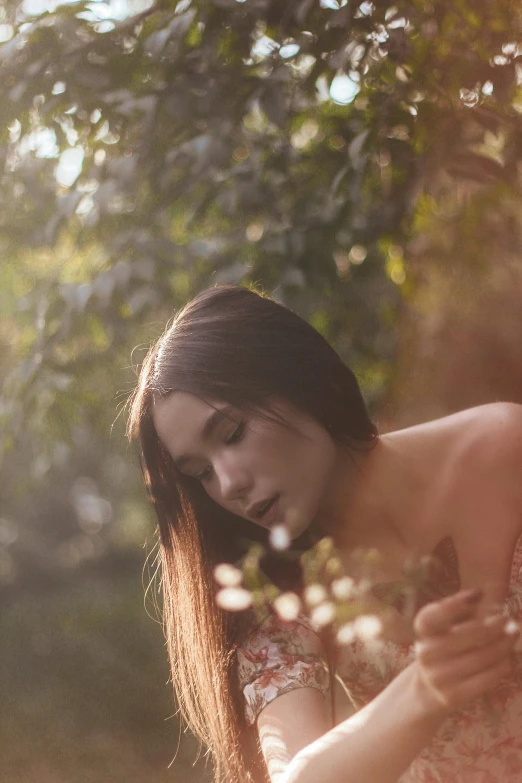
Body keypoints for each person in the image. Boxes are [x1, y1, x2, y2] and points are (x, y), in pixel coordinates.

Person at [127, 284, 522, 783]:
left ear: (300, 379)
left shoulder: (501, 449)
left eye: (231, 434)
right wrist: (423, 689)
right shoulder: (274, 594)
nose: (228, 484)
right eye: (200, 473)